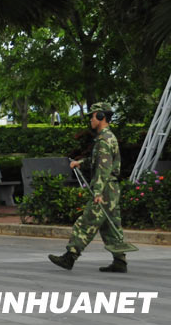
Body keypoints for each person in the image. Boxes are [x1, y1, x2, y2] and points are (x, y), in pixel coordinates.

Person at [49, 102, 128, 272]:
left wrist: (98, 192)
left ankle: (70, 257)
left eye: (92, 116)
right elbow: (100, 162)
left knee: (86, 222)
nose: (90, 120)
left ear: (101, 116)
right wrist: (81, 162)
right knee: (111, 225)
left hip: (105, 188)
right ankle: (120, 261)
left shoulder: (104, 140)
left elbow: (103, 168)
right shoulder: (109, 137)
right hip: (111, 188)